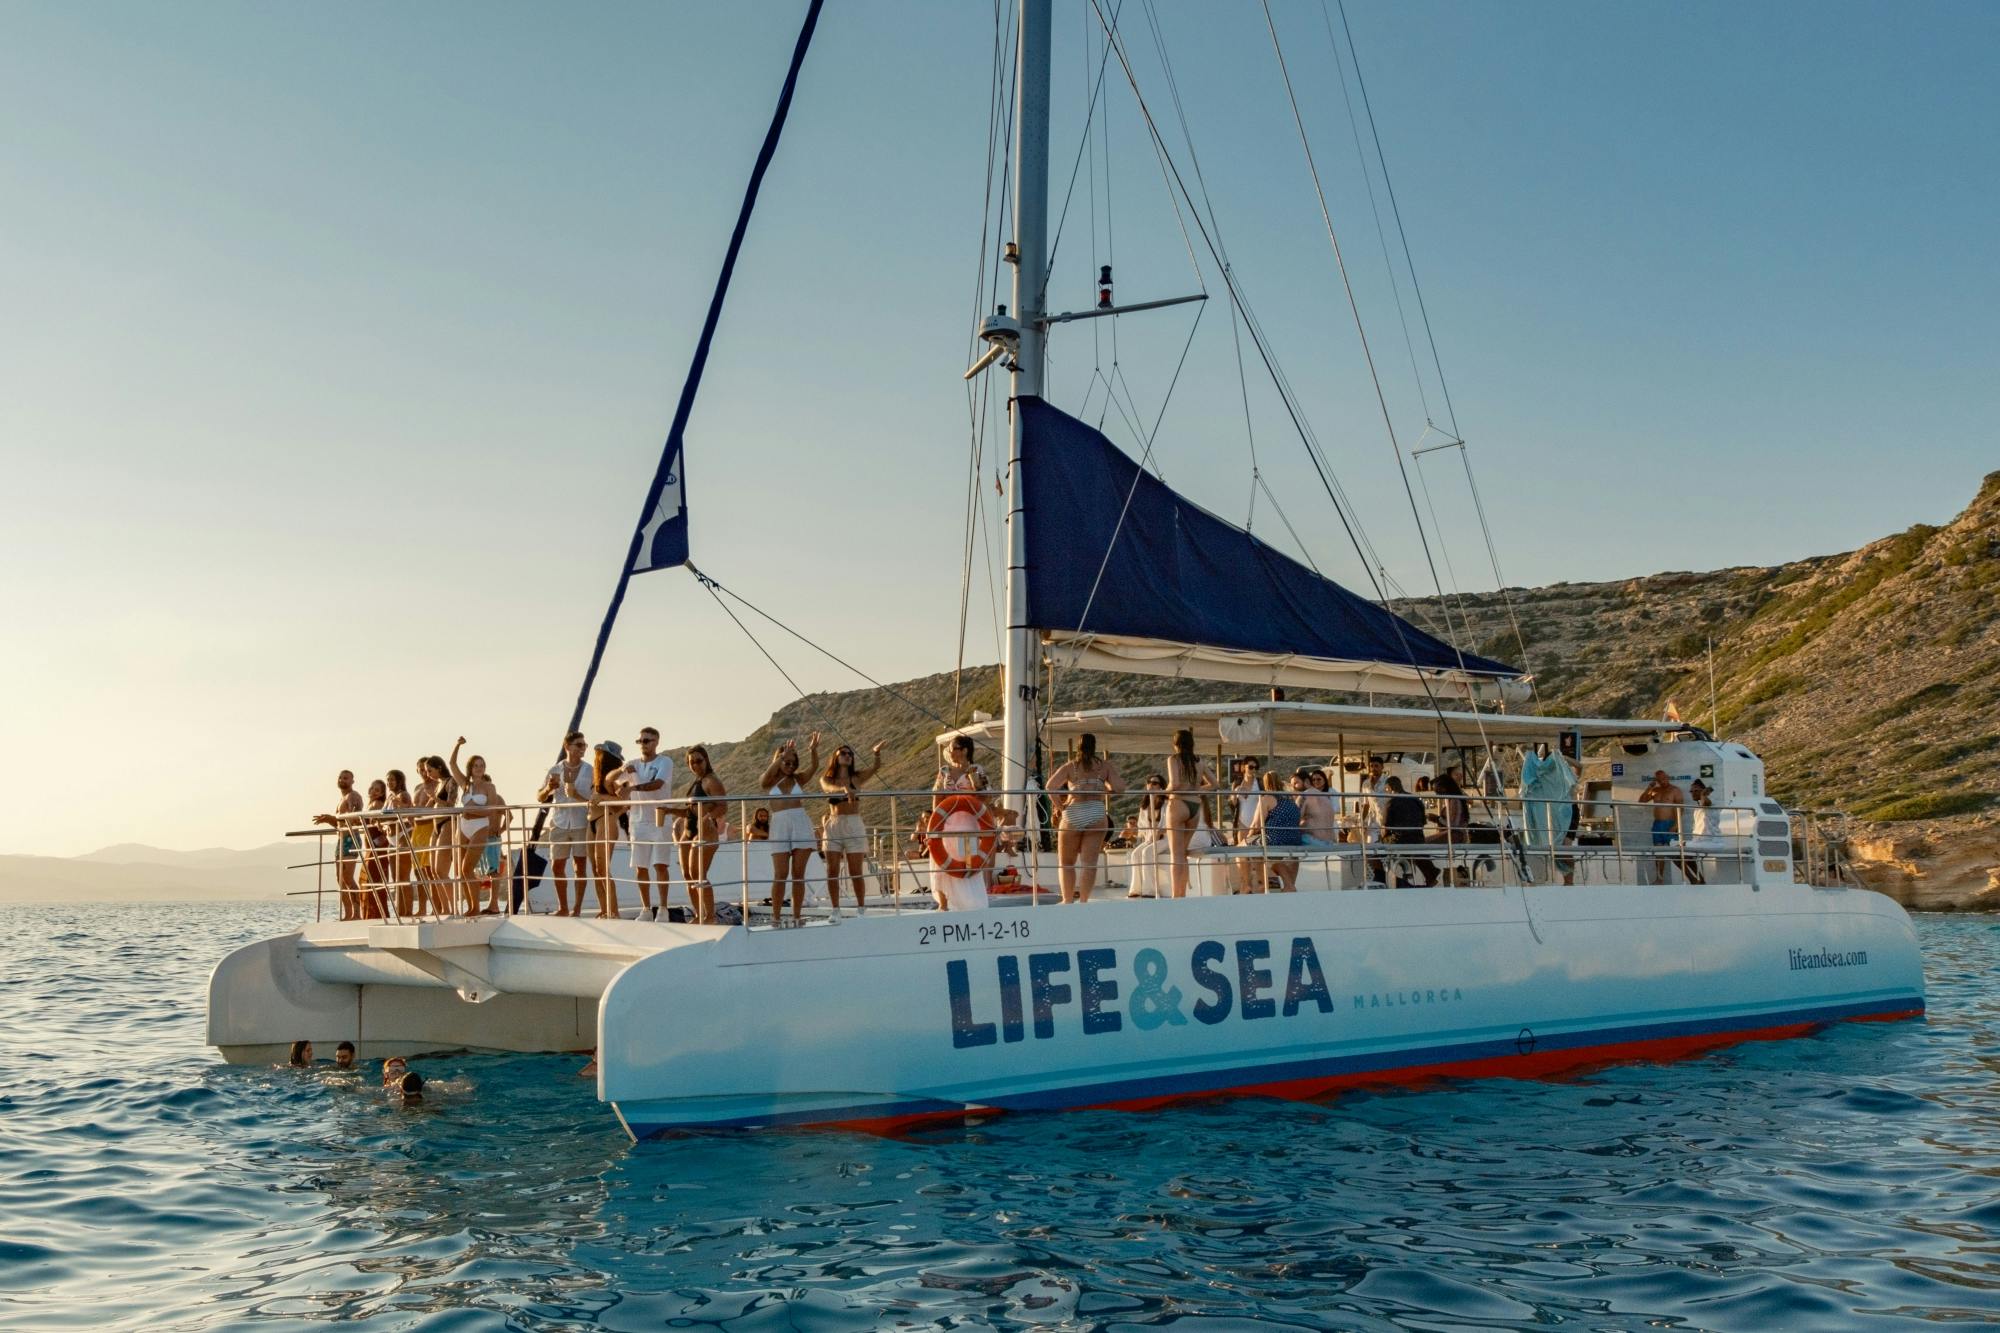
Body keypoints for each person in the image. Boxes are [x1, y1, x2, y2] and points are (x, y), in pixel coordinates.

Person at [1046, 733, 1125, 904]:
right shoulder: (1104, 767)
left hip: (1073, 812)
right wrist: (1105, 788)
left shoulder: (1070, 766)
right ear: (1094, 747)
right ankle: (1083, 901)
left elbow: (1050, 787)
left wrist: (1060, 807)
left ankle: (1067, 900)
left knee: (1066, 862)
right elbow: (1120, 788)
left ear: (1078, 747)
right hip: (1096, 812)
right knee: (1089, 863)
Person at [818, 740, 884, 916]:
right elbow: (828, 788)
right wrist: (843, 789)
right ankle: (835, 909)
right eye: (844, 753)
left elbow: (875, 768)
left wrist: (876, 753)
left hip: (854, 823)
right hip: (834, 823)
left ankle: (861, 907)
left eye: (850, 754)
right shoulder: (827, 778)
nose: (848, 756)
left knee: (856, 870)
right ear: (836, 757)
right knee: (832, 870)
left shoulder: (857, 777)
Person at [760, 734, 820, 926]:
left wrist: (813, 750)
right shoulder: (769, 781)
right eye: (787, 762)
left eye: (793, 763)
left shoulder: (798, 779)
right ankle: (776, 917)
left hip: (800, 822)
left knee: (798, 874)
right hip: (779, 824)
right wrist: (780, 757)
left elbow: (814, 768)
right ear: (779, 760)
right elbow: (762, 781)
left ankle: (796, 915)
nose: (791, 766)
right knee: (780, 874)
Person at [930, 734, 992, 911]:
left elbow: (986, 797)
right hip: (946, 823)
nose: (950, 751)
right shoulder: (944, 771)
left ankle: (972, 905)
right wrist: (935, 823)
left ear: (964, 750)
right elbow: (937, 797)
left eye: (953, 748)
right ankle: (943, 905)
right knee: (941, 864)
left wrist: (975, 783)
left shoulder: (977, 770)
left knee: (967, 862)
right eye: (949, 748)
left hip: (967, 824)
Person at [448, 738, 507, 915]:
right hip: (464, 827)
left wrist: (469, 812)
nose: (479, 768)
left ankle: (475, 907)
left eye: (482, 765)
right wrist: (458, 745)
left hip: (480, 827)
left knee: (467, 868)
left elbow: (490, 811)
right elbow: (451, 763)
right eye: (476, 766)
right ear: (470, 769)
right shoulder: (465, 785)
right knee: (461, 870)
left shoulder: (490, 787)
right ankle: (471, 906)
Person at [622, 727, 675, 921]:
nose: (644, 744)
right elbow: (614, 781)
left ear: (656, 742)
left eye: (648, 740)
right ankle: (645, 908)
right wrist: (618, 772)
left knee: (660, 865)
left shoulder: (665, 762)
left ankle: (662, 908)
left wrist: (633, 785)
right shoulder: (632, 764)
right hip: (638, 820)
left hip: (660, 819)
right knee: (640, 866)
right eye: (641, 741)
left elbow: (657, 784)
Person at [539, 731, 594, 917]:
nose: (582, 748)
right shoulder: (555, 770)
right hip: (560, 822)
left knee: (580, 865)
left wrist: (576, 794)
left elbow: (595, 800)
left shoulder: (590, 771)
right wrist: (548, 789)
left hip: (581, 822)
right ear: (567, 747)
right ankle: (563, 907)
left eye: (584, 745)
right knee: (557, 865)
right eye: (579, 745)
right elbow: (539, 796)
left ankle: (577, 909)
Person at [677, 744, 729, 924]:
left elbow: (723, 806)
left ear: (706, 760)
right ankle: (699, 914)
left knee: (698, 874)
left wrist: (708, 817)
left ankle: (710, 916)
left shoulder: (711, 781)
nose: (695, 765)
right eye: (691, 762)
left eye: (699, 761)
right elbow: (691, 809)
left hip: (705, 831)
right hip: (689, 830)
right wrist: (671, 812)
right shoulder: (696, 781)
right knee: (687, 875)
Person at [1163, 728, 1216, 899]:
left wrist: (1163, 791)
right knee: (1183, 853)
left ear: (1175, 744)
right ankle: (1182, 894)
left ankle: (1175, 896)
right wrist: (1196, 788)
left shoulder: (1173, 759)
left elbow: (1175, 784)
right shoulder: (1199, 761)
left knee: (1176, 854)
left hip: (1178, 803)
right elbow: (1215, 783)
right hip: (1194, 806)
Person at [310, 771, 363, 920]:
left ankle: (356, 913)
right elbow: (339, 824)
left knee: (348, 877)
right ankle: (347, 914)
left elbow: (355, 817)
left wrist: (334, 818)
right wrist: (328, 819)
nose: (342, 780)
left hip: (351, 839)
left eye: (345, 778)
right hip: (341, 839)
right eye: (340, 777)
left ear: (352, 781)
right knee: (340, 879)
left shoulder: (353, 796)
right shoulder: (342, 799)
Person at [1519, 741, 1578, 869]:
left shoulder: (1566, 773)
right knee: (1554, 844)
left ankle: (1570, 880)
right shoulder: (1547, 779)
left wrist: (1564, 758)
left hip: (1571, 812)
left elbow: (1580, 767)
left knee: (1565, 846)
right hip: (1555, 812)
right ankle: (1565, 876)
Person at [410, 757, 454, 918]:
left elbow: (451, 804)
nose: (426, 774)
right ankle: (443, 909)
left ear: (438, 768)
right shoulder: (426, 787)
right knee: (431, 872)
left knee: (438, 871)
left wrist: (433, 799)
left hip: (443, 824)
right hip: (427, 828)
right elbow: (421, 809)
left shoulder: (448, 782)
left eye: (429, 770)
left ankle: (450, 908)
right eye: (423, 770)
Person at [585, 741, 624, 918]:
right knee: (595, 869)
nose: (596, 757)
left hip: (605, 820)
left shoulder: (612, 778)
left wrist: (602, 798)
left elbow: (624, 802)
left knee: (602, 868)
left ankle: (613, 911)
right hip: (592, 820)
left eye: (599, 753)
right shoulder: (597, 777)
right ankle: (604, 909)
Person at [1247, 771, 1303, 892]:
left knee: (1244, 849)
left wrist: (1246, 839)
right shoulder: (1290, 799)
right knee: (1277, 858)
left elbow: (1256, 825)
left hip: (1275, 839)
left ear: (1265, 784)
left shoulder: (1266, 798)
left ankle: (1254, 885)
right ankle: (1289, 885)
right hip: (1295, 839)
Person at [1380, 777, 1440, 887]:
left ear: (1389, 788)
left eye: (1386, 789)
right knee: (1415, 845)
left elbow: (1386, 826)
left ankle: (1383, 877)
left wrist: (1382, 838)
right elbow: (1423, 822)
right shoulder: (1415, 799)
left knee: (1380, 845)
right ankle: (1430, 872)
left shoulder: (1391, 802)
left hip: (1401, 839)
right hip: (1417, 837)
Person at [1640, 770, 1686, 884]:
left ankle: (1686, 877)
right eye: (1659, 779)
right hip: (1657, 824)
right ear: (1657, 780)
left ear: (1668, 777)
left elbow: (1681, 808)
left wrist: (1676, 824)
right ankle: (1659, 878)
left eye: (1664, 778)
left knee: (1675, 852)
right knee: (1658, 851)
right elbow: (1641, 801)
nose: (1662, 781)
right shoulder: (1655, 790)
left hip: (1670, 823)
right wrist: (1649, 787)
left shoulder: (1675, 790)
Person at [1128, 775, 1169, 898]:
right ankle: (1136, 889)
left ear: (1161, 787)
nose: (1151, 784)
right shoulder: (1145, 806)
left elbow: (1170, 823)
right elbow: (1142, 827)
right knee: (1135, 854)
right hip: (1151, 838)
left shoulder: (1167, 803)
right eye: (1149, 782)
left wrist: (1159, 832)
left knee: (1147, 852)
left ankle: (1150, 890)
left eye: (1155, 783)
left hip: (1166, 838)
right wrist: (1136, 831)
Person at [359, 779, 393, 919]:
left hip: (376, 850)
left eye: (377, 790)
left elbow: (382, 828)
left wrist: (377, 844)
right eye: (372, 788)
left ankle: (375, 916)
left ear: (381, 794)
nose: (373, 791)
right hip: (370, 850)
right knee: (368, 882)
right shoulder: (371, 805)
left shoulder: (377, 805)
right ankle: (373, 915)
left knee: (373, 883)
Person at [384, 769, 416, 919]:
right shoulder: (389, 797)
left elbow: (409, 811)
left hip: (404, 835)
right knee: (396, 877)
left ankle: (407, 911)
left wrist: (400, 804)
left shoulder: (403, 795)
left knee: (404, 876)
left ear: (399, 781)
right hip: (391, 838)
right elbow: (385, 817)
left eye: (392, 780)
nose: (389, 782)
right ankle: (400, 911)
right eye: (388, 780)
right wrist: (382, 824)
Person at [1682, 778, 1718, 885]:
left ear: (1702, 791)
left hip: (1710, 841)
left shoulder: (1709, 802)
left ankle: (1696, 880)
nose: (1693, 793)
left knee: (1677, 852)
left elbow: (1706, 803)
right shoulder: (1697, 807)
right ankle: (1698, 879)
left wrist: (1703, 795)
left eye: (1696, 791)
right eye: (1691, 791)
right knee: (1677, 851)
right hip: (1699, 841)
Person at [1298, 767, 1338, 847]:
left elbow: (1334, 808)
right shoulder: (1313, 794)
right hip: (1324, 836)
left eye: (1319, 779)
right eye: (1314, 780)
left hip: (1322, 832)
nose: (1316, 781)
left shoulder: (1330, 792)